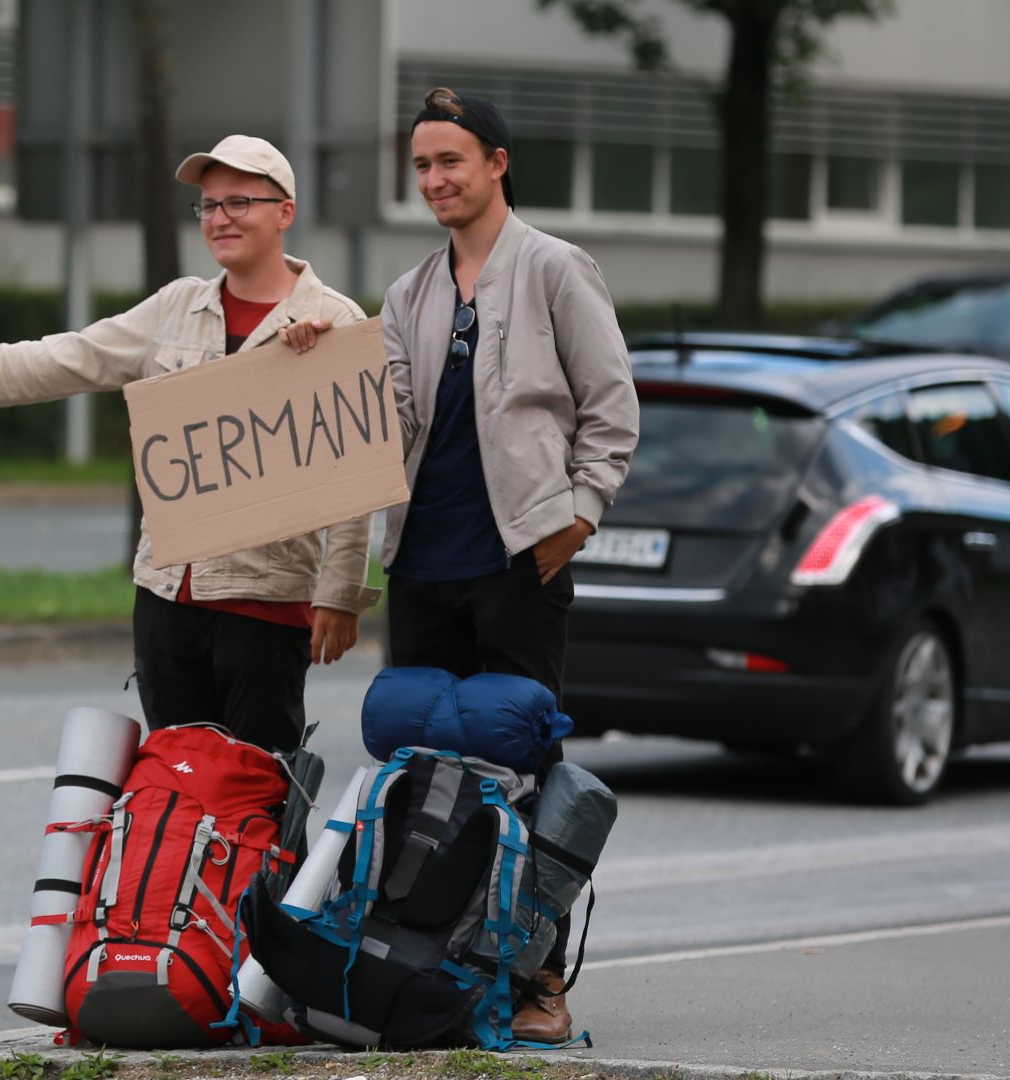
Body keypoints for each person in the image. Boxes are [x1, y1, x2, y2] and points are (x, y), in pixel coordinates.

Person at [278, 88, 638, 1042]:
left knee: (527, 764)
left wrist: (582, 515)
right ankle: (427, 963)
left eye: (452, 161)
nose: (436, 180)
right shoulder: (410, 294)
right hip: (425, 562)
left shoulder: (557, 269)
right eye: (423, 166)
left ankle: (539, 982)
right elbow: (381, 417)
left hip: (521, 560)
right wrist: (325, 358)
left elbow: (612, 409)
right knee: (422, 770)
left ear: (496, 163)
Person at [0, 135, 379, 753]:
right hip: (165, 598)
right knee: (172, 786)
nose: (219, 219)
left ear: (285, 211)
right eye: (208, 206)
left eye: (238, 202)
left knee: (256, 798)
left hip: (264, 605)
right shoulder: (175, 308)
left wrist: (341, 591)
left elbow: (355, 474)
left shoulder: (336, 322)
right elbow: (63, 358)